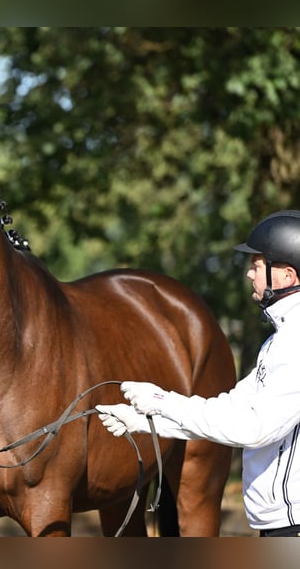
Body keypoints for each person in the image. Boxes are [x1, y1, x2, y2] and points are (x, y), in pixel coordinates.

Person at [97, 210, 300, 537]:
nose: (250, 274)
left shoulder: (296, 342)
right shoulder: (279, 340)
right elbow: (230, 407)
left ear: (286, 276)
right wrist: (149, 423)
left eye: (258, 266)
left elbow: (254, 428)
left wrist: (161, 400)